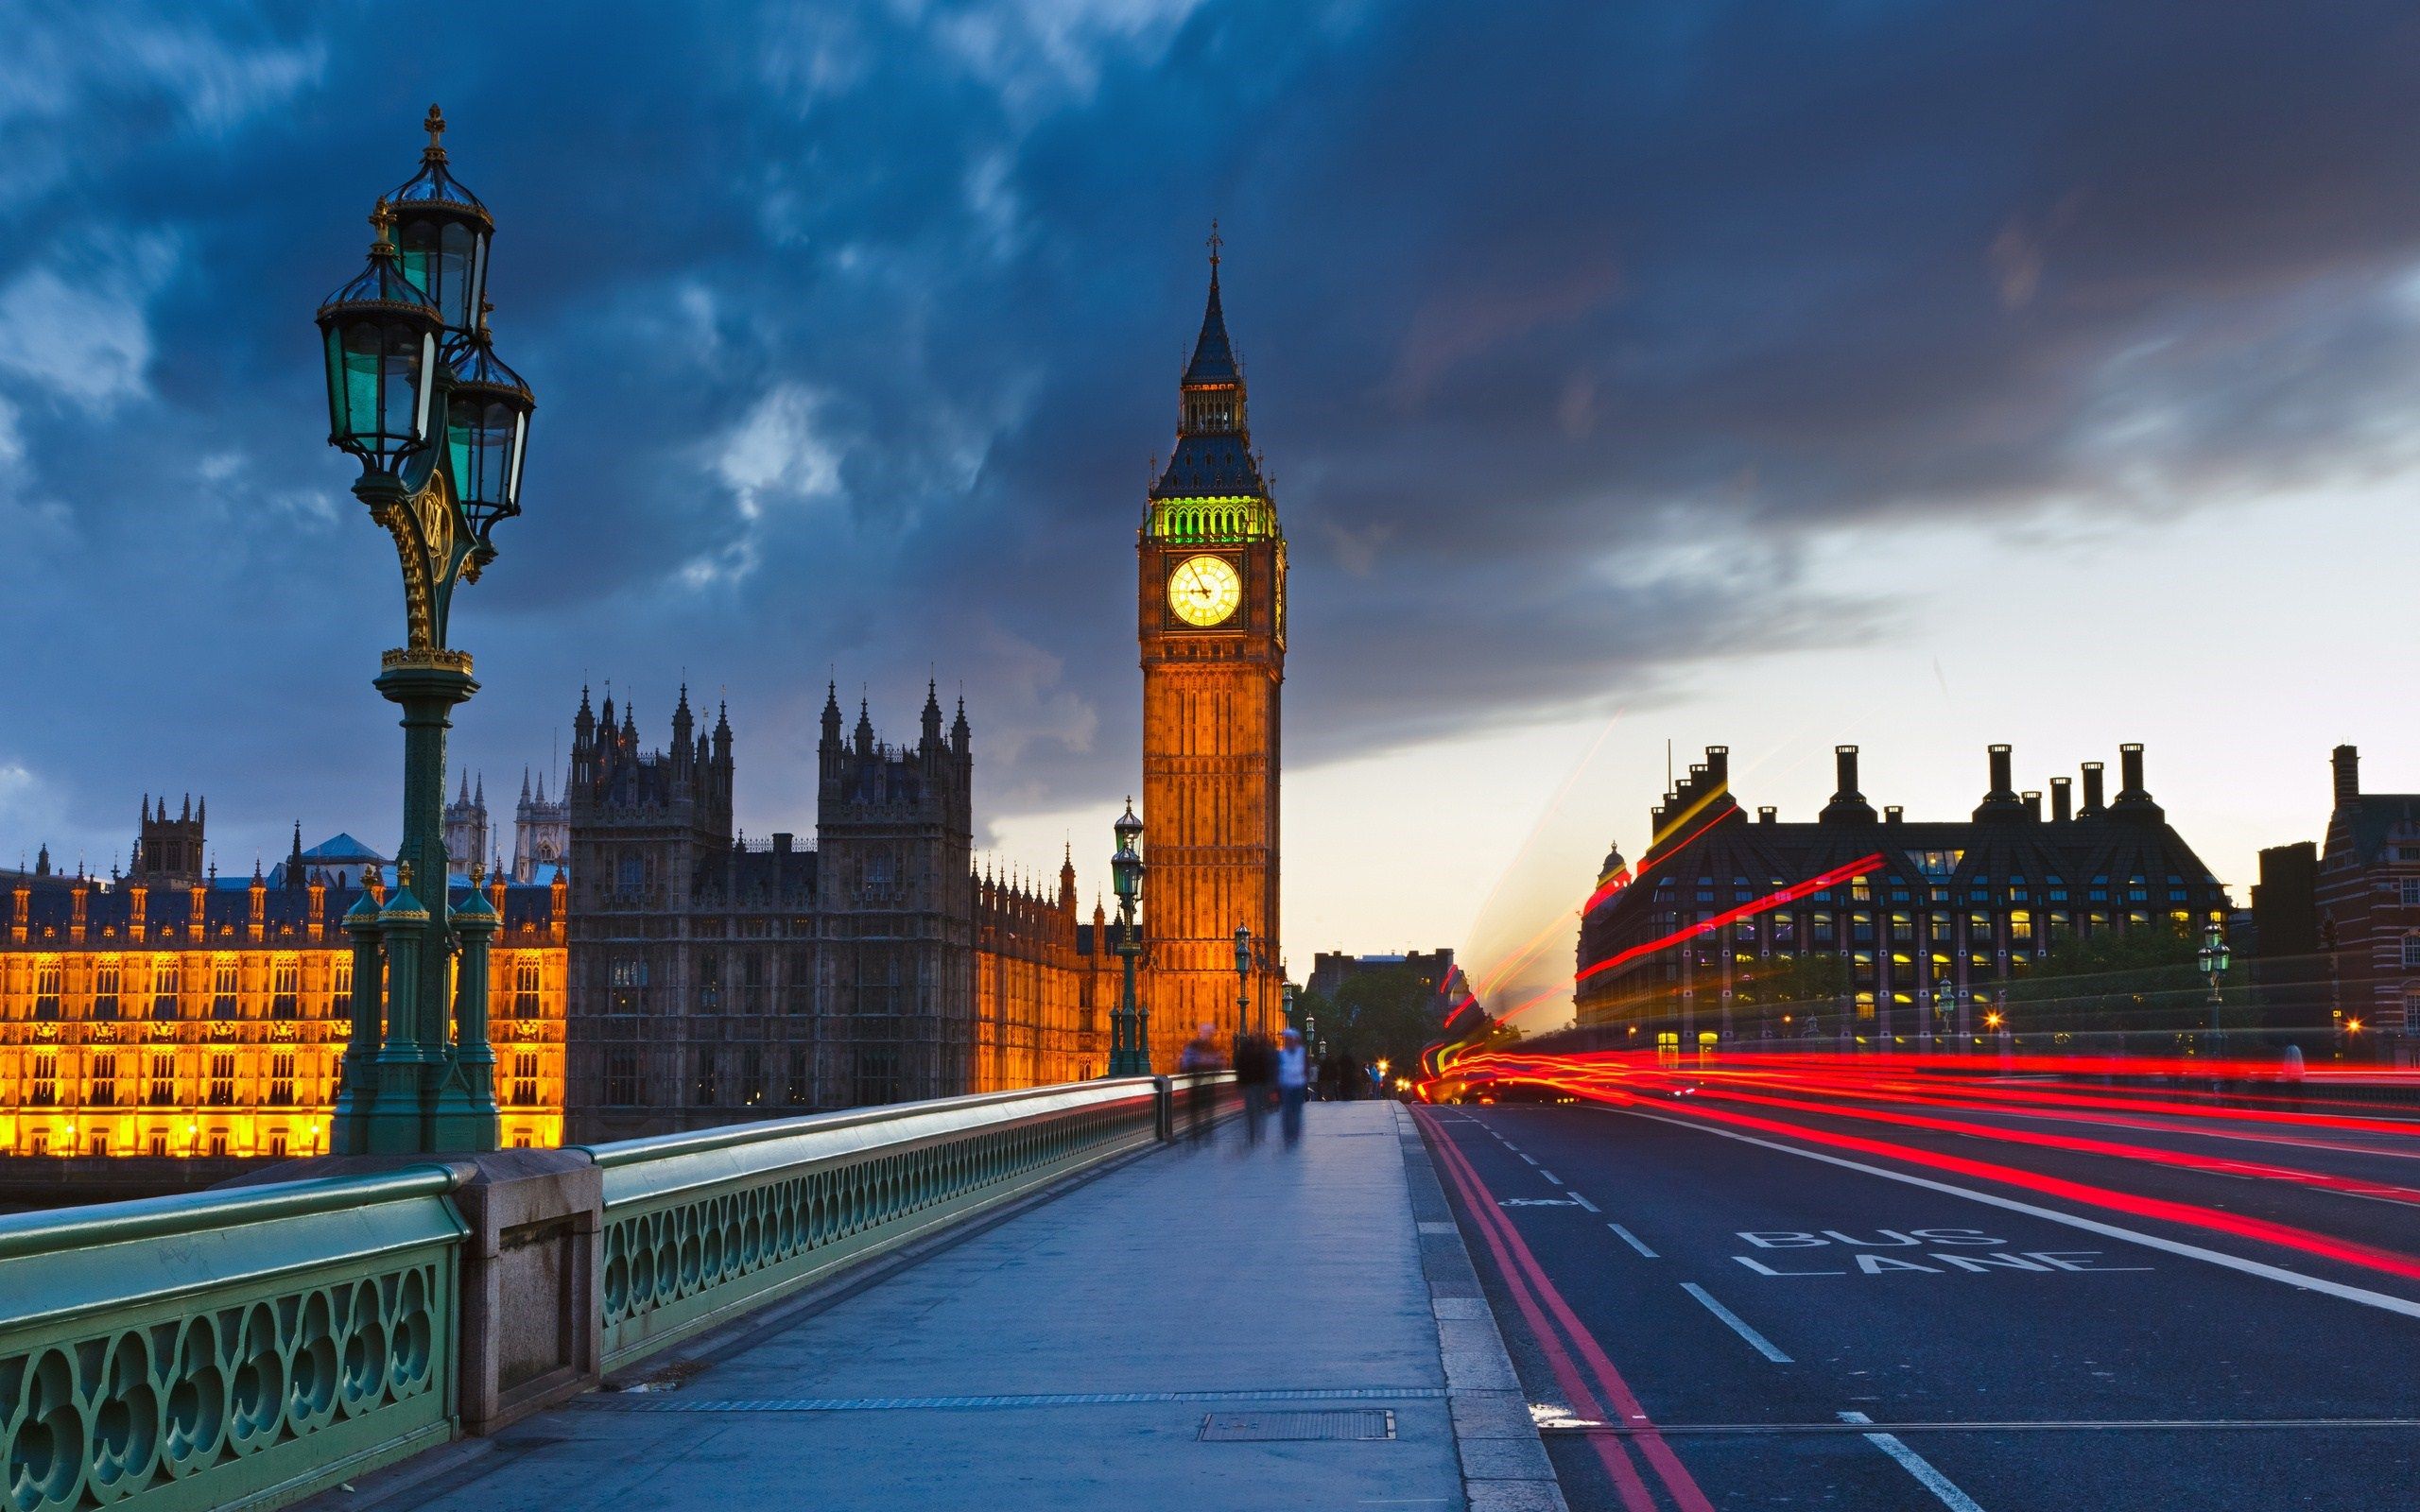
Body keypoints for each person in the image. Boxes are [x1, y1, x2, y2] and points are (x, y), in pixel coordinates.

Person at [1178, 1022, 1225, 1143]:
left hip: (1204, 1083)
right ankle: (1198, 1135)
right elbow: (1186, 1063)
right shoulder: (1196, 1046)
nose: (1210, 1036)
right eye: (1210, 1033)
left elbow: (1219, 1064)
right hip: (1199, 1083)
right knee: (1200, 1111)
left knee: (1203, 1111)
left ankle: (1201, 1135)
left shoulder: (1212, 1047)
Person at [1234, 1031, 1275, 1144]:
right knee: (1253, 1110)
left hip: (1259, 1084)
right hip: (1252, 1084)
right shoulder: (1260, 1051)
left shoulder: (1257, 1051)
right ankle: (1254, 1134)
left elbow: (1268, 1067)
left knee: (1257, 1110)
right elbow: (1240, 1067)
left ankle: (1258, 1134)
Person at [1276, 1028, 1309, 1146]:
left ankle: (1294, 1134)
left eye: (1290, 1040)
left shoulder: (1302, 1052)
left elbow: (1306, 1068)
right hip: (1286, 1085)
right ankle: (1288, 1135)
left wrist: (1305, 1082)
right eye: (1287, 1040)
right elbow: (1278, 1070)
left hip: (1298, 1085)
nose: (1288, 1042)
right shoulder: (1282, 1054)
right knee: (1287, 1111)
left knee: (1296, 1111)